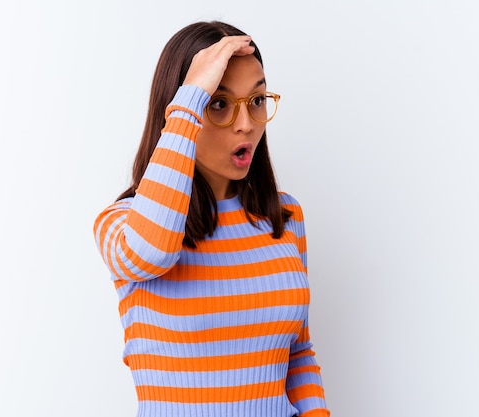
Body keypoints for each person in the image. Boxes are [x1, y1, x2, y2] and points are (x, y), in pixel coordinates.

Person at [93, 21, 330, 417]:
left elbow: (298, 354)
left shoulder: (285, 217)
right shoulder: (121, 223)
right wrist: (190, 101)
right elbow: (151, 253)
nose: (246, 124)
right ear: (178, 111)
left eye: (256, 100)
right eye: (218, 103)